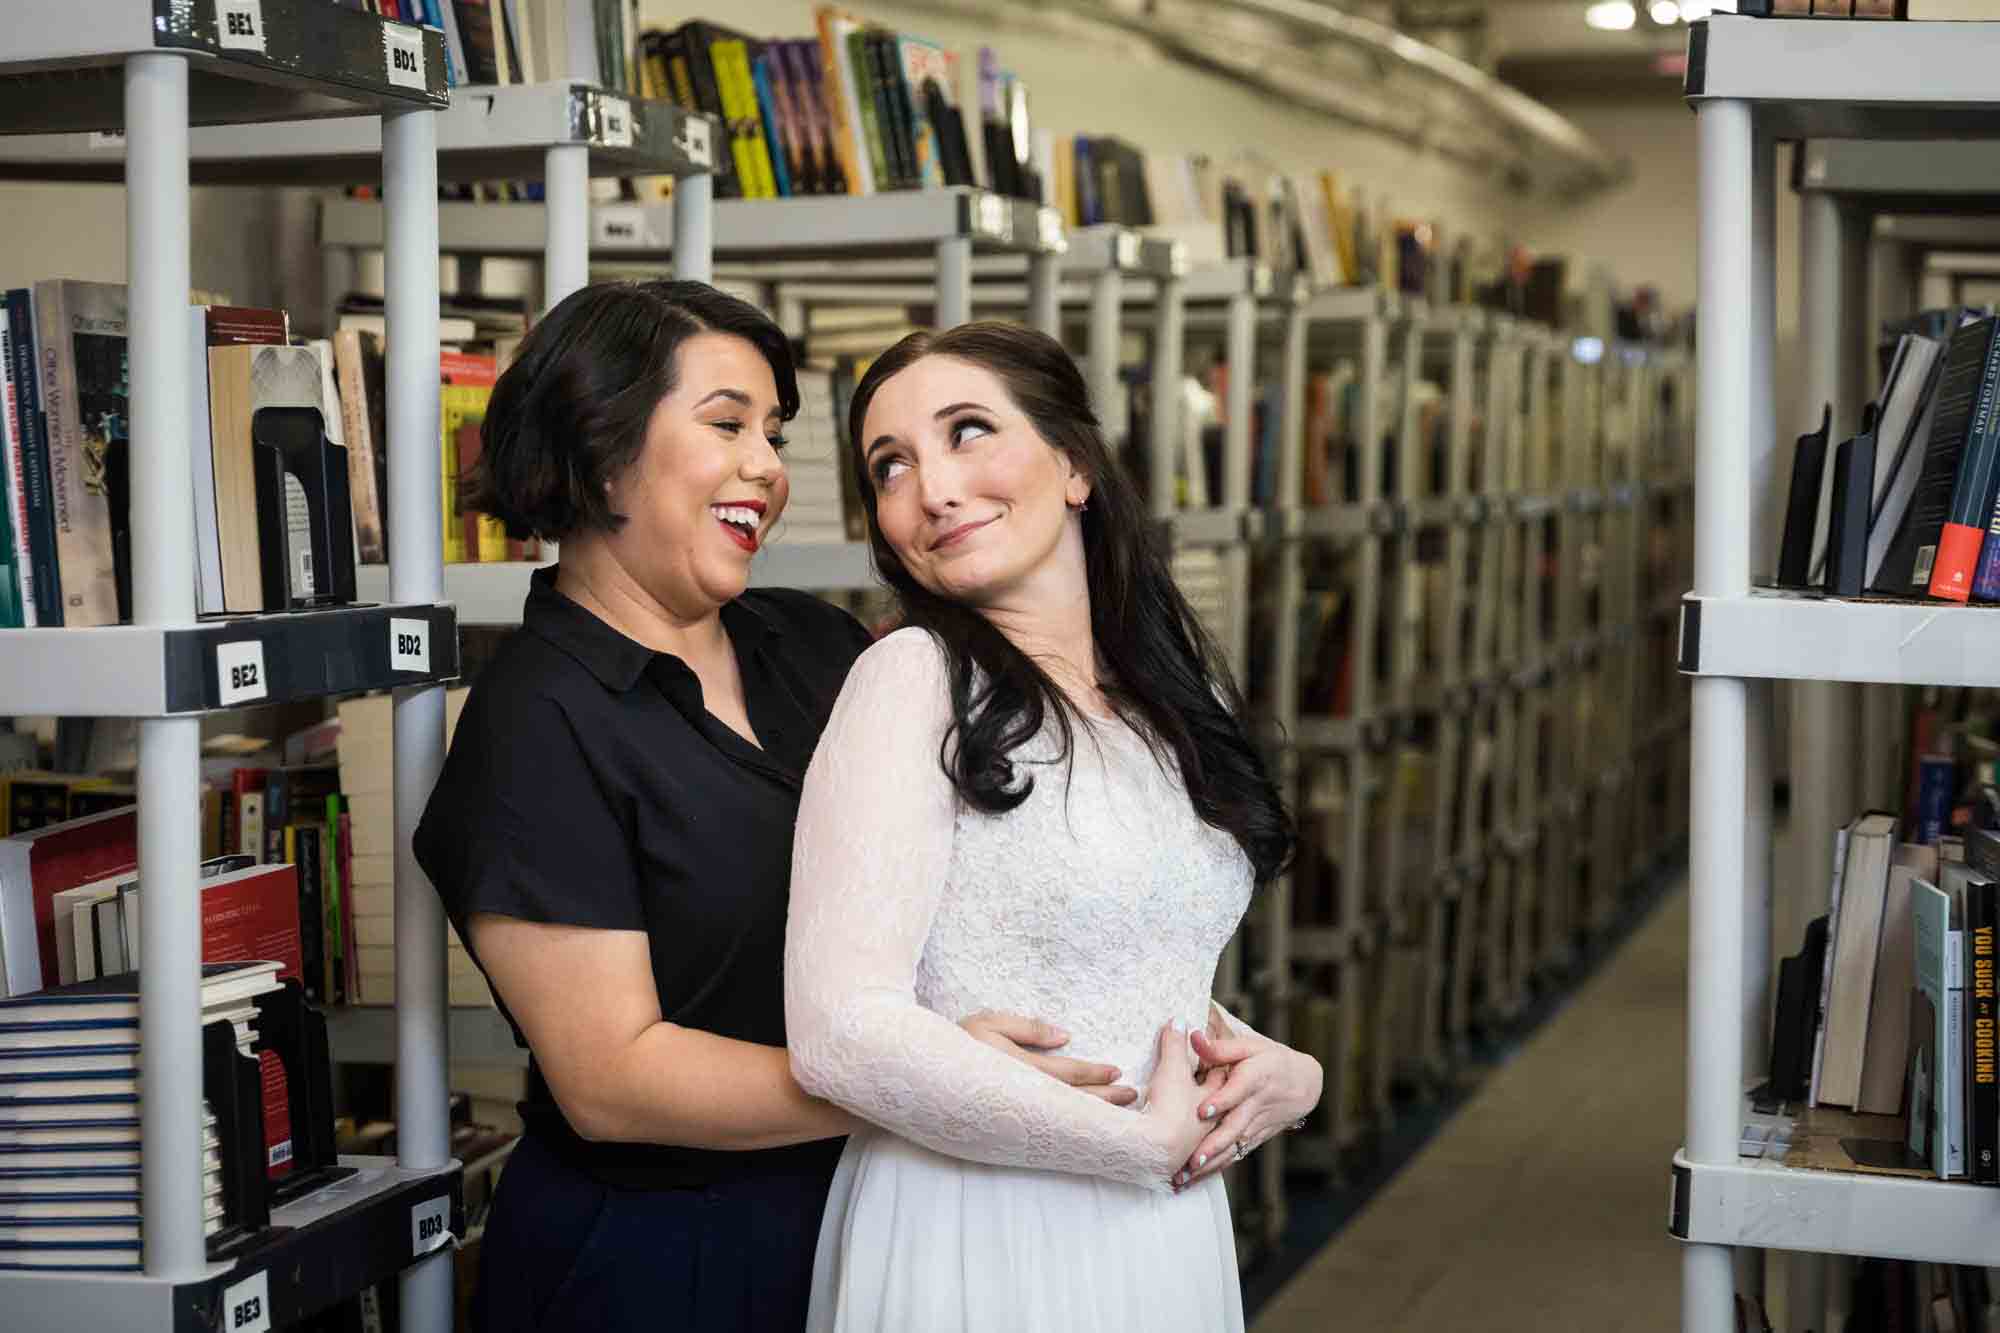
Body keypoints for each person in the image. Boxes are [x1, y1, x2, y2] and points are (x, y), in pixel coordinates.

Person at [413, 282, 1131, 1333]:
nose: (766, 464)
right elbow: (611, 1076)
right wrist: (921, 1079)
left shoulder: (818, 648)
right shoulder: (534, 723)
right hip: (663, 1257)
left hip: (872, 1205)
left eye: (775, 431)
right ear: (602, 443)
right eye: (727, 424)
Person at [784, 321, 1326, 1333]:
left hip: (1155, 1226)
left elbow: (1130, 964)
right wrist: (1132, 1147)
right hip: (979, 1222)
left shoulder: (1171, 694)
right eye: (888, 466)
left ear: (1074, 465)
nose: (931, 489)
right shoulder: (910, 680)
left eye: (967, 432)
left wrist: (1288, 1074)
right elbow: (836, 1034)